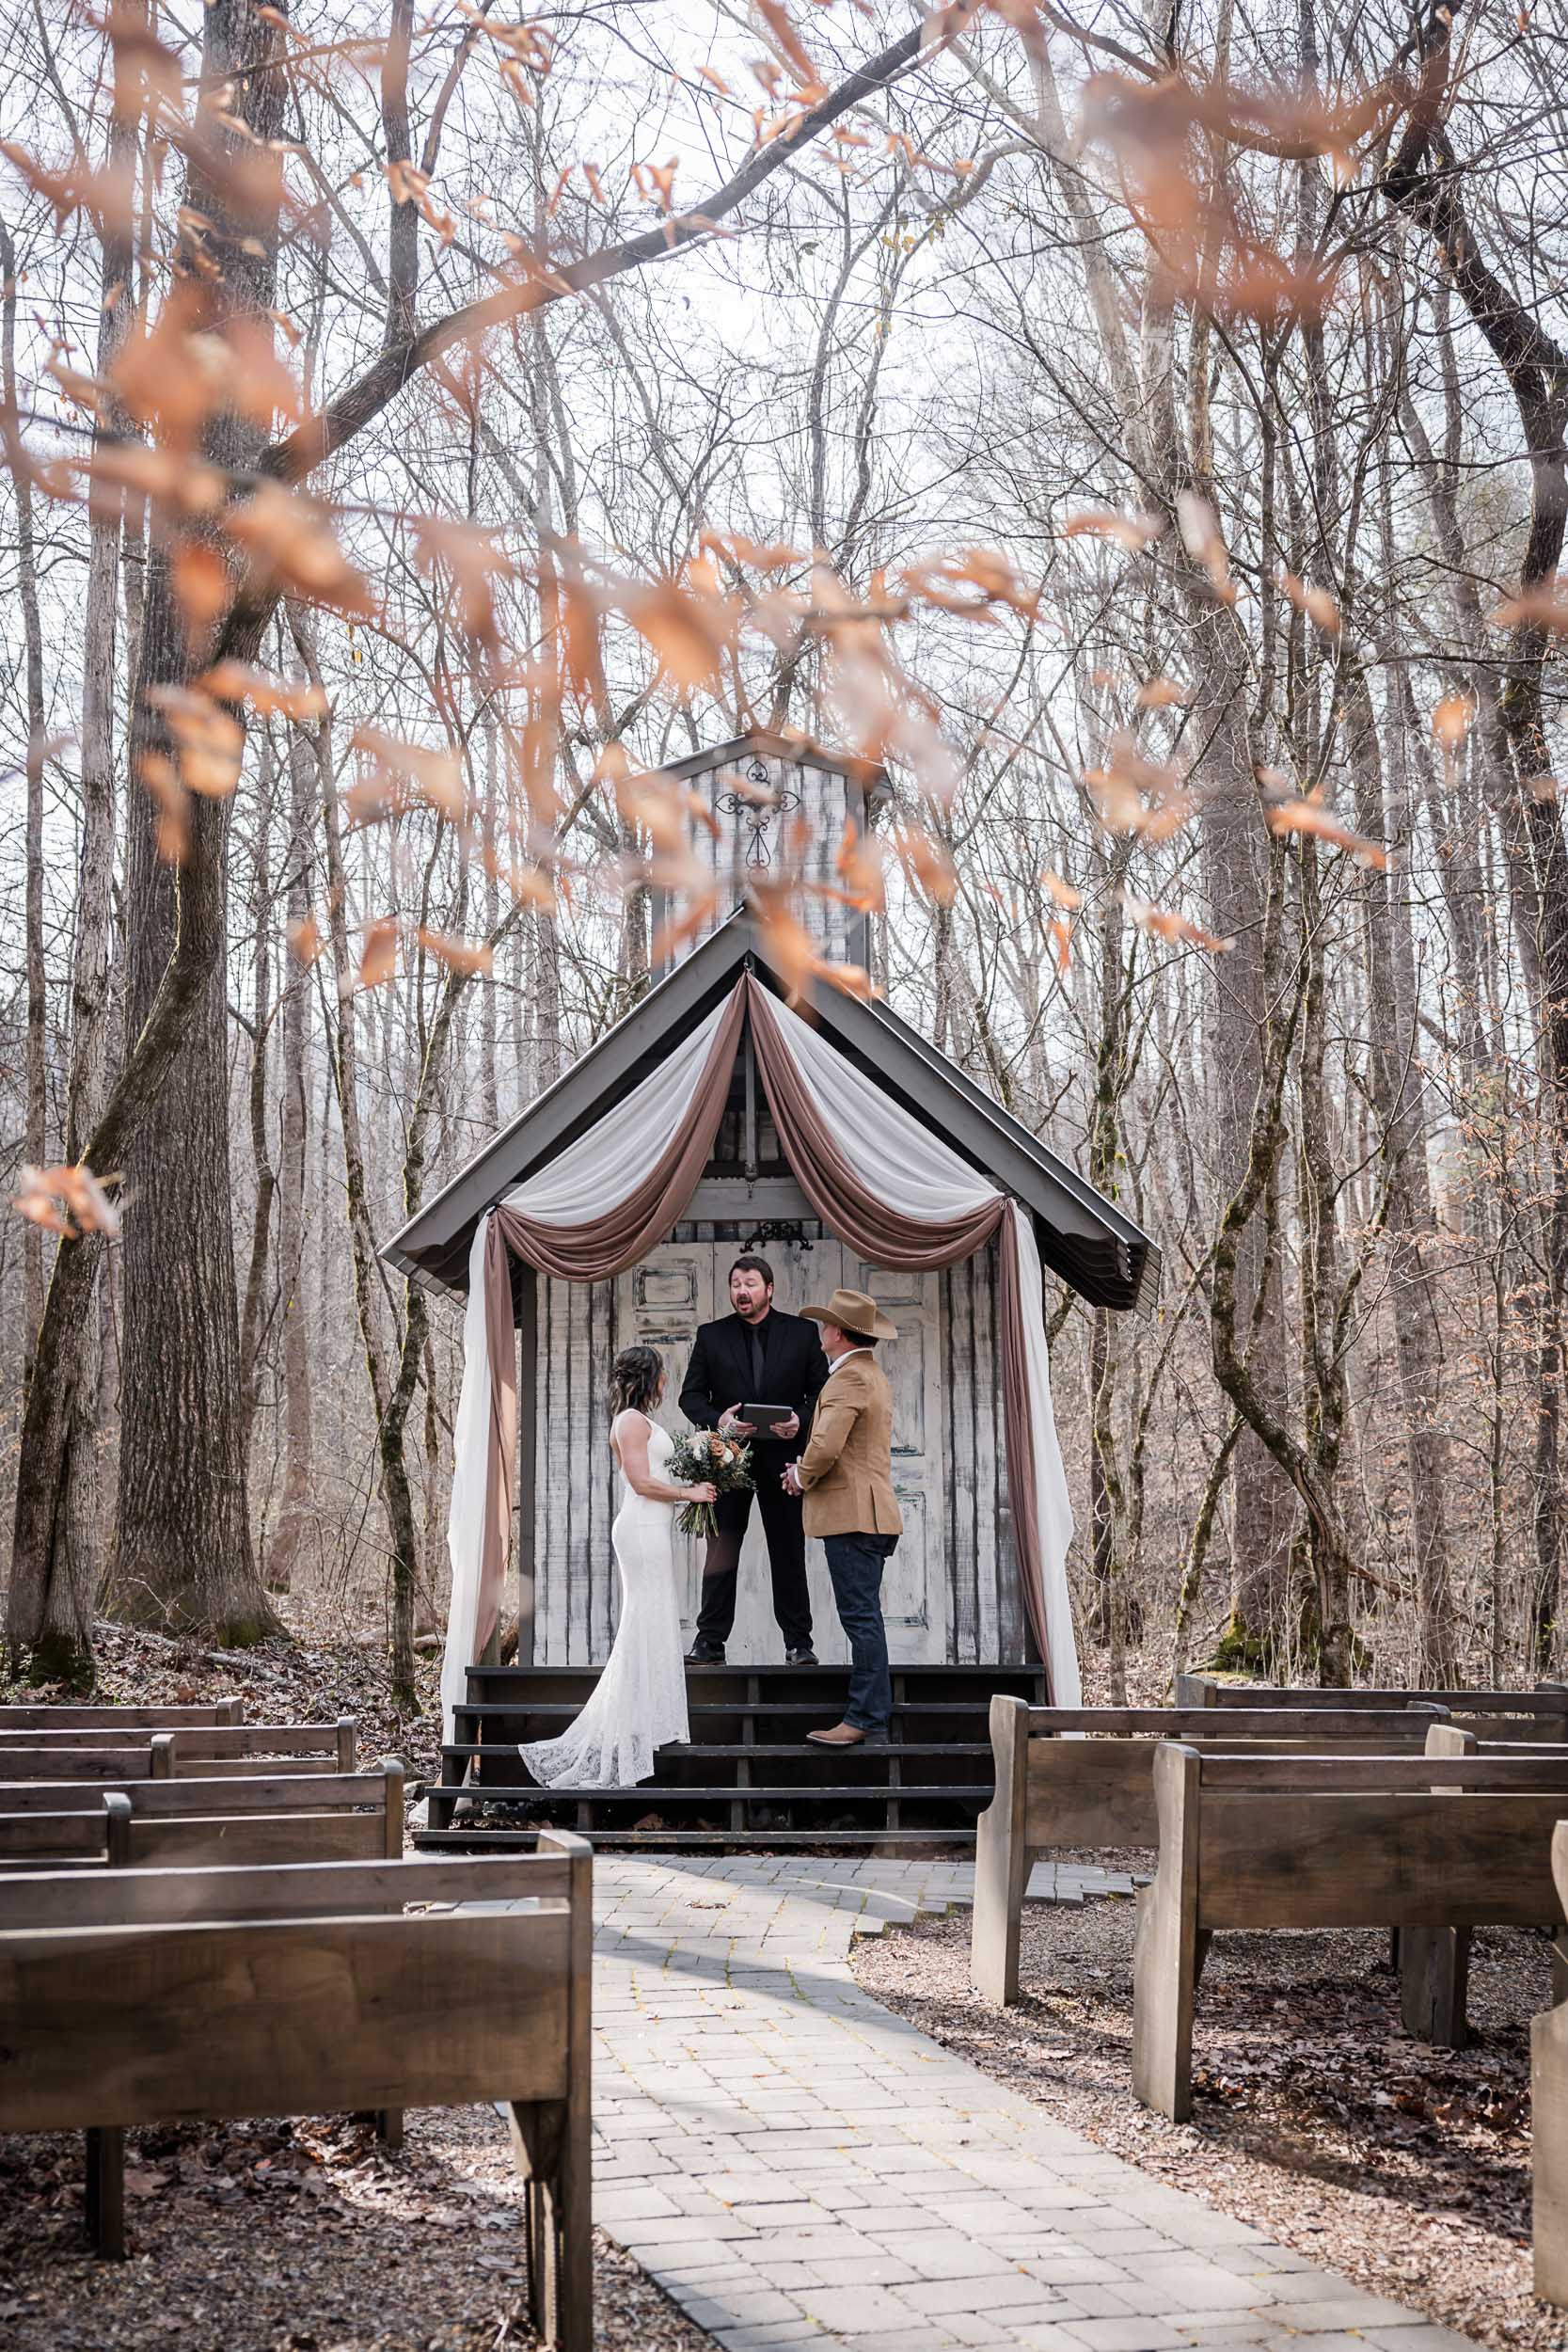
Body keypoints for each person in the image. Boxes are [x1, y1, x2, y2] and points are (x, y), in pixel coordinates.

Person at [518, 1346, 717, 1789]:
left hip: (652, 1528)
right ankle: (631, 1724)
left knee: (653, 1617)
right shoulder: (629, 1421)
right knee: (642, 1619)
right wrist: (691, 1494)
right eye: (663, 1374)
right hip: (641, 1527)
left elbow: (658, 1469)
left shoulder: (642, 1422)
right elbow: (641, 1481)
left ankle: (647, 1719)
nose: (666, 1382)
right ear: (651, 1378)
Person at [679, 1253, 830, 1666]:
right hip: (729, 1461)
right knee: (721, 1549)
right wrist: (719, 1421)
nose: (741, 1291)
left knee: (788, 1550)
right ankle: (709, 1642)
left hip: (784, 1462)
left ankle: (799, 1644)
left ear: (769, 1289)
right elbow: (690, 1396)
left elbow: (824, 1393)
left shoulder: (802, 1334)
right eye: (735, 1285)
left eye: (749, 1284)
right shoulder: (711, 1336)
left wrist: (800, 1419)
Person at [783, 1286, 902, 1748]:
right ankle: (870, 1711)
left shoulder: (848, 1379)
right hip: (869, 1515)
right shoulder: (870, 1374)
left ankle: (866, 1716)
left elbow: (828, 1444)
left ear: (839, 1332)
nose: (822, 1329)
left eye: (827, 1323)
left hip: (855, 1518)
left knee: (860, 1618)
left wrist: (800, 1475)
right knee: (864, 1615)